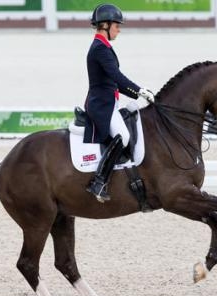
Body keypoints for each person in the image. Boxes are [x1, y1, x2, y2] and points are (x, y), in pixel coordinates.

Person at [83, 3, 155, 202]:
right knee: (123, 136)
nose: (119, 29)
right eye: (116, 25)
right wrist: (139, 89)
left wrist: (139, 94)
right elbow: (117, 75)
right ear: (105, 25)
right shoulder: (100, 49)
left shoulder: (103, 47)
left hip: (108, 103)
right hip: (101, 105)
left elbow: (115, 81)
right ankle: (99, 182)